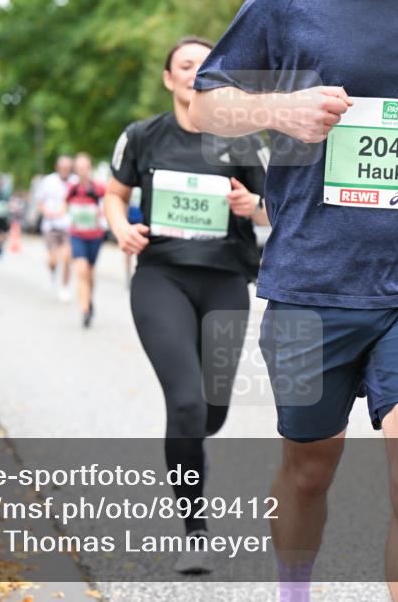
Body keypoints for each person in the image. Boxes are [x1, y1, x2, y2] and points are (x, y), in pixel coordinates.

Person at [189, 0, 398, 599]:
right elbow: (206, 103)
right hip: (309, 284)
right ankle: (295, 586)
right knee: (308, 470)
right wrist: (279, 109)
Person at [104, 36, 269, 574]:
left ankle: (190, 445)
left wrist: (252, 204)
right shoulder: (143, 136)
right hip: (162, 279)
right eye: (186, 64)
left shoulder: (242, 141)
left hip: (225, 282)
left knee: (211, 412)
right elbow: (114, 195)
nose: (196, 72)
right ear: (169, 78)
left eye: (207, 65)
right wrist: (121, 229)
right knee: (187, 405)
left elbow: (277, 209)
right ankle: (195, 530)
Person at [65, 153, 106, 327]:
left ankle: (89, 299)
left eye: (85, 167)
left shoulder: (99, 188)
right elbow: (65, 204)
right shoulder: (73, 188)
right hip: (77, 234)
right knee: (81, 269)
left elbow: (108, 204)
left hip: (95, 235)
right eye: (79, 168)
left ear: (90, 168)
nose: (82, 171)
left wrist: (101, 213)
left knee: (89, 271)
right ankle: (84, 309)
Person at [37, 156, 77, 301]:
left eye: (68, 168)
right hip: (51, 226)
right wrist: (47, 212)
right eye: (62, 168)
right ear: (57, 167)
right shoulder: (48, 181)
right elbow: (40, 202)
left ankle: (64, 287)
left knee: (67, 257)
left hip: (68, 226)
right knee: (53, 260)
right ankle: (52, 273)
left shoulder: (75, 182)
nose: (65, 171)